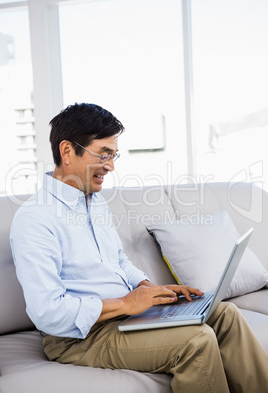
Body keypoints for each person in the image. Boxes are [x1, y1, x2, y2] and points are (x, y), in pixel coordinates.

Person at [10, 103, 268, 393]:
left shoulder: (95, 203)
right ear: (67, 151)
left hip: (125, 316)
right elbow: (48, 312)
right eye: (103, 154)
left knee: (225, 314)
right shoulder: (34, 219)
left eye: (113, 155)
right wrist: (126, 303)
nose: (111, 166)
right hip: (79, 338)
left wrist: (150, 288)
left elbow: (118, 261)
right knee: (197, 341)